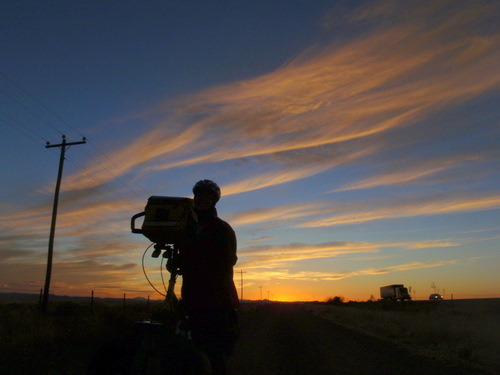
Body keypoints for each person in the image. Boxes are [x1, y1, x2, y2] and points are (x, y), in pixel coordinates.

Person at [179, 179, 239, 375]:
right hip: (191, 295)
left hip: (217, 299)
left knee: (214, 352)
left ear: (214, 202)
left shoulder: (223, 229)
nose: (202, 200)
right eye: (199, 196)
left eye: (207, 197)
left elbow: (226, 260)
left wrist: (192, 261)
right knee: (188, 348)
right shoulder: (186, 228)